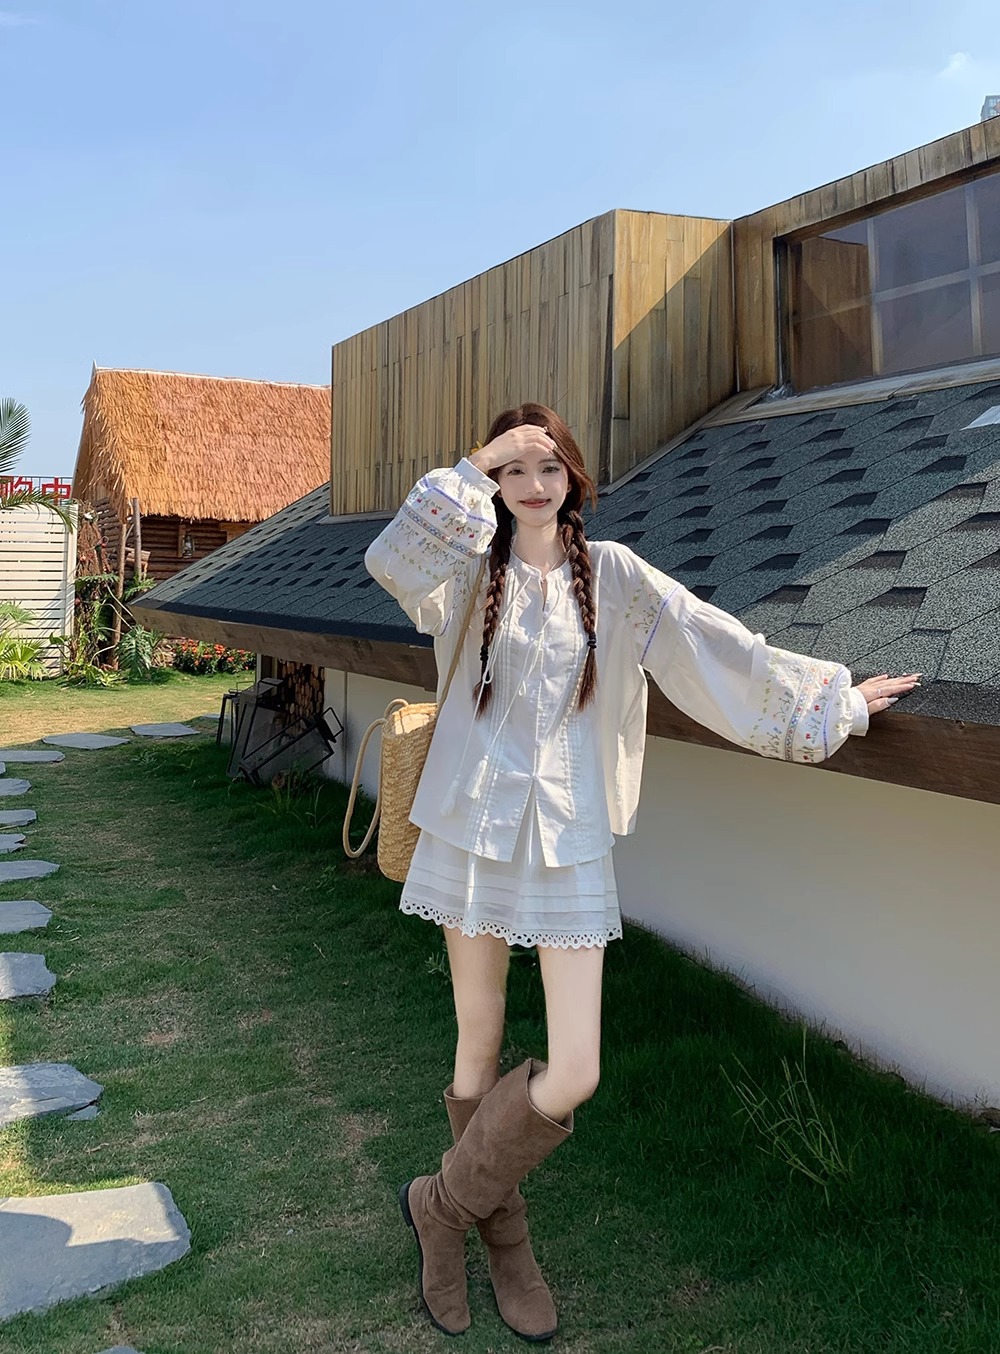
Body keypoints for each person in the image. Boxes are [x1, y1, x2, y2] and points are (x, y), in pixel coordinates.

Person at [363, 403, 919, 1341]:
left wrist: (837, 703)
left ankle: (442, 1206)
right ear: (492, 483)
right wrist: (479, 456)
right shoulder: (463, 569)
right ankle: (506, 1240)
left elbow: (716, 649)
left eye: (548, 466)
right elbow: (393, 559)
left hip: (568, 836)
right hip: (470, 827)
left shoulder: (614, 576)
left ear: (574, 479)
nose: (532, 485)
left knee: (575, 1069)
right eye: (513, 470)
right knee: (477, 1042)